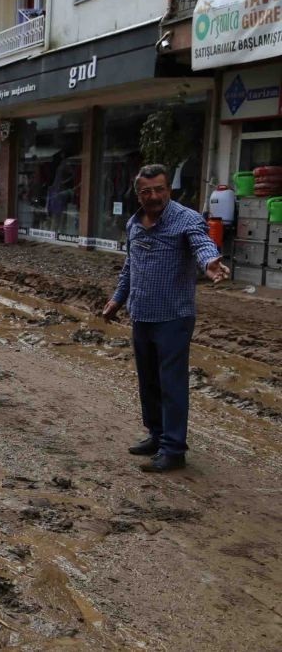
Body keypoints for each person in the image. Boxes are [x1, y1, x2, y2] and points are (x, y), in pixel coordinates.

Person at [102, 164, 230, 473]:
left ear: (168, 191)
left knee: (171, 384)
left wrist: (211, 263)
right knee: (148, 382)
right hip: (142, 315)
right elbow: (130, 268)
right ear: (138, 195)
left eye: (159, 189)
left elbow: (201, 245)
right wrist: (117, 300)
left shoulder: (186, 220)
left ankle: (174, 449)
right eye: (147, 191)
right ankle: (156, 435)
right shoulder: (135, 224)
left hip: (174, 317)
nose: (154, 196)